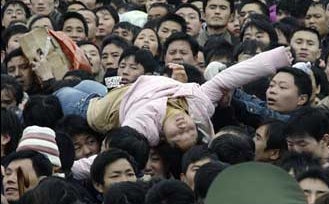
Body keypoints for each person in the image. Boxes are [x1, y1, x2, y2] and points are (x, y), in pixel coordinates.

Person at [49, 46, 292, 151]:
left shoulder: (144, 125)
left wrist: (67, 171)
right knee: (81, 80)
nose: (184, 129)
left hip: (91, 108)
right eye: (190, 132)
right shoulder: (198, 103)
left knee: (59, 91)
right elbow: (228, 77)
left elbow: (115, 153)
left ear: (163, 136)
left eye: (178, 137)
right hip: (112, 91)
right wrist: (275, 59)